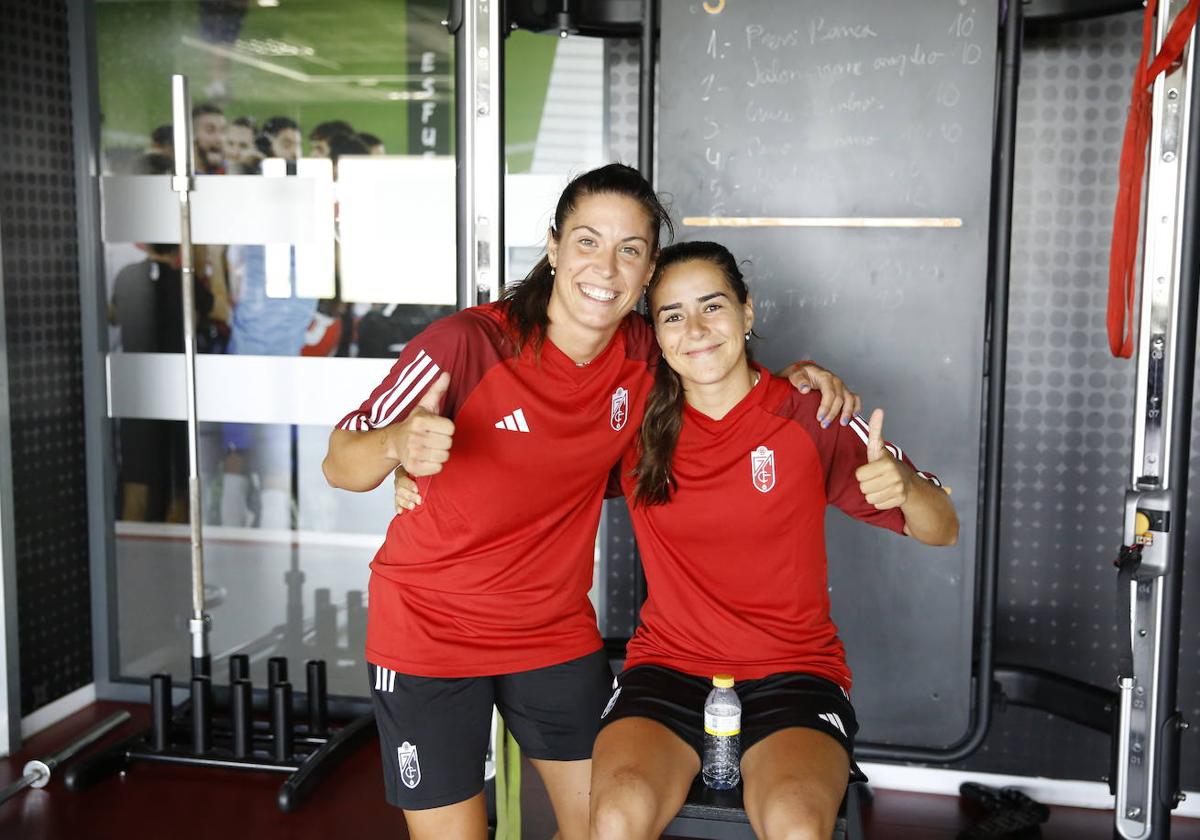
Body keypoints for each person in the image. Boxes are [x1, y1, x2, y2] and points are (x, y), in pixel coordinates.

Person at [325, 164, 860, 840]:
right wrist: (398, 445)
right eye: (586, 241)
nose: (605, 267)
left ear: (647, 271)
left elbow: (722, 372)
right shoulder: (466, 345)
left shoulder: (644, 356)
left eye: (629, 250)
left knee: (603, 828)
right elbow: (341, 462)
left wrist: (802, 380)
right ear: (553, 247)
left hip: (550, 631)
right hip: (431, 629)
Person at [583, 241, 958, 840]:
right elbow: (533, 469)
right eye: (673, 315)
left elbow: (942, 528)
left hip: (792, 672)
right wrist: (419, 480)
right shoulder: (633, 426)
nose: (697, 329)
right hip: (668, 670)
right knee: (614, 818)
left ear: (747, 312)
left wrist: (905, 486)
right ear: (655, 334)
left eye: (713, 307)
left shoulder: (813, 414)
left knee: (797, 826)